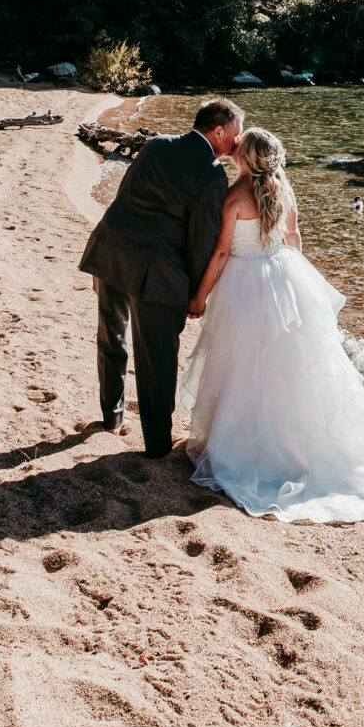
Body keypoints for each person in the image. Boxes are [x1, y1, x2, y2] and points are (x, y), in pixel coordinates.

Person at [176, 126, 364, 522]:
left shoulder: (235, 196)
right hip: (283, 277)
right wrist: (300, 286)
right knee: (290, 369)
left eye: (237, 150)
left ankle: (245, 447)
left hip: (244, 284)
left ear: (243, 159)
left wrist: (199, 296)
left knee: (245, 366)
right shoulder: (284, 191)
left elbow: (220, 252)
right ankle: (295, 443)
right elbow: (294, 238)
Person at [79, 96, 240, 458]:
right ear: (218, 131)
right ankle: (155, 445)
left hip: (112, 248)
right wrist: (198, 293)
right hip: (157, 271)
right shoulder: (212, 172)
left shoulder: (156, 145)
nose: (236, 142)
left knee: (111, 336)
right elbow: (202, 239)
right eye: (235, 133)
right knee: (158, 359)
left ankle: (112, 417)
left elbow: (125, 194)